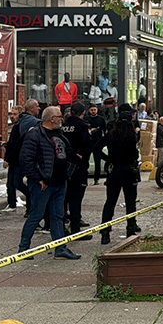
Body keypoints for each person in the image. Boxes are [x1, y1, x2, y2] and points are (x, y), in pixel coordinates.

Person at [17, 106, 81, 260]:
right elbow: (26, 160)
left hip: (59, 182)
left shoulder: (59, 133)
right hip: (43, 184)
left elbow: (65, 153)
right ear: (52, 119)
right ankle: (23, 248)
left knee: (57, 216)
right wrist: (38, 178)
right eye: (60, 116)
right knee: (36, 215)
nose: (62, 119)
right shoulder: (35, 134)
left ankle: (60, 248)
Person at [94, 111, 141, 245]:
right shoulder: (132, 136)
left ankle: (105, 232)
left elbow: (96, 148)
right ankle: (130, 229)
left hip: (114, 170)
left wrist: (108, 159)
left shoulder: (111, 135)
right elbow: (135, 154)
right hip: (129, 170)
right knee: (130, 202)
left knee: (110, 201)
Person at [3, 100, 42, 215]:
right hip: (21, 158)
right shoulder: (29, 123)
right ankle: (24, 205)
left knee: (16, 182)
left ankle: (29, 206)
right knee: (14, 182)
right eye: (37, 106)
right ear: (31, 109)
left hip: (21, 158)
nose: (39, 108)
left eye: (15, 114)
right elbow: (15, 144)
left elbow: (15, 144)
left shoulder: (23, 124)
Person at [61, 102, 93, 239]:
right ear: (83, 113)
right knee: (76, 199)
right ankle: (75, 228)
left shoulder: (63, 126)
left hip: (63, 166)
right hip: (78, 167)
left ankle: (60, 228)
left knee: (63, 199)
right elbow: (87, 145)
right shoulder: (82, 126)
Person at [0, 106, 25, 212]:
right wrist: (6, 144)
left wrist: (7, 159)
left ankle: (30, 196)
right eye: (12, 114)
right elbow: (12, 144)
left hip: (18, 160)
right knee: (10, 183)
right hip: (13, 160)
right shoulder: (15, 127)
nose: (12, 116)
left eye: (15, 114)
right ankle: (12, 204)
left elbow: (16, 146)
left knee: (16, 182)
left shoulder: (19, 127)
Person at [85, 104, 107, 185]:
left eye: (94, 109)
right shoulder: (86, 119)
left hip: (98, 141)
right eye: (92, 110)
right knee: (86, 160)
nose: (93, 111)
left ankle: (96, 178)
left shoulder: (101, 119)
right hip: (88, 142)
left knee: (97, 160)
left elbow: (105, 130)